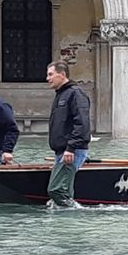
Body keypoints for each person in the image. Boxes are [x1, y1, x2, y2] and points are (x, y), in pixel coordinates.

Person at [45, 61, 91, 206]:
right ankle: (65, 219)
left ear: (62, 74)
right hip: (62, 151)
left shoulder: (75, 94)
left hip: (71, 151)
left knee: (57, 190)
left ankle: (72, 215)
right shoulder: (61, 95)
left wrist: (71, 148)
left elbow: (82, 123)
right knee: (62, 189)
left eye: (50, 74)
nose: (47, 78)